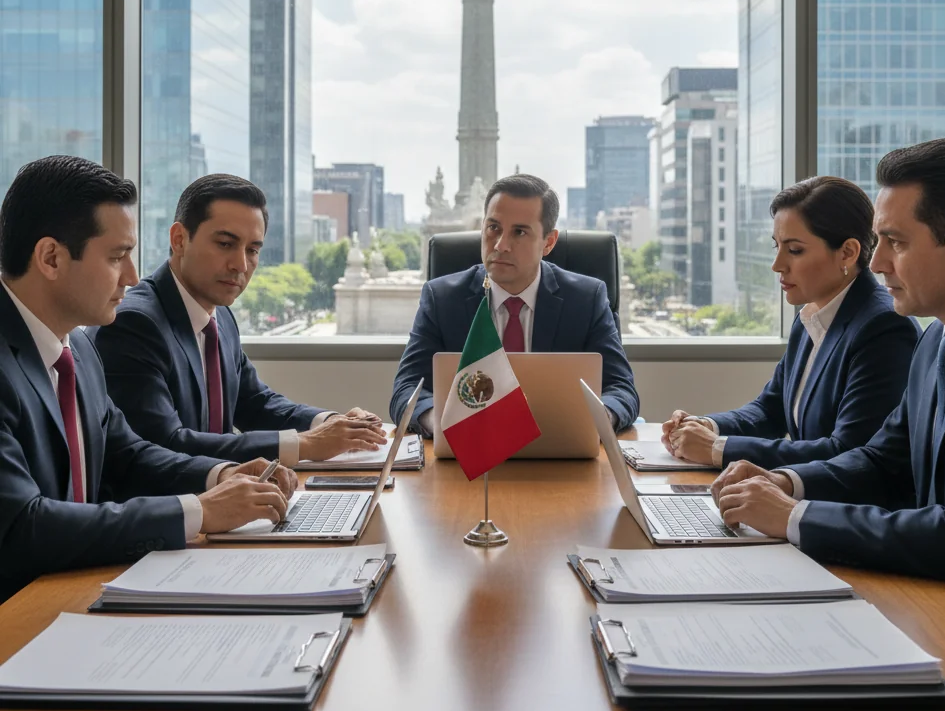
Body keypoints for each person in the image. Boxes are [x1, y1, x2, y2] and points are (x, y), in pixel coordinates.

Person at [711, 139, 945, 640]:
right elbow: (882, 460)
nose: (877, 265)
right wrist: (787, 482)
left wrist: (795, 516)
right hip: (938, 610)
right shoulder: (937, 339)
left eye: (895, 243)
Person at [0, 156, 298, 602]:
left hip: (74, 587)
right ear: (50, 258)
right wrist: (198, 511)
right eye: (117, 256)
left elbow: (127, 453)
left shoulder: (76, 347)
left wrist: (222, 476)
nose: (133, 276)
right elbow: (24, 524)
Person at [92, 175, 386, 465]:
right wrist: (306, 444)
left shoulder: (218, 314)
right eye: (225, 244)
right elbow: (165, 444)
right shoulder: (133, 324)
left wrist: (332, 423)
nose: (241, 265)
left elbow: (254, 402)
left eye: (252, 250)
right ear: (179, 239)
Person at [661, 176, 917, 468]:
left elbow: (848, 453)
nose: (777, 265)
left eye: (794, 250)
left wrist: (718, 449)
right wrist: (706, 426)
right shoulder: (812, 316)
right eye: (777, 247)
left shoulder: (883, 329)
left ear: (847, 252)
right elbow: (769, 411)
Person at [389, 174, 639, 434]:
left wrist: (594, 421)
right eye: (493, 227)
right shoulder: (441, 299)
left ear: (549, 242)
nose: (500, 245)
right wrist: (439, 423)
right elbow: (406, 389)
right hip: (468, 459)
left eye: (519, 232)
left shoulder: (586, 299)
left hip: (561, 455)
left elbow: (621, 389)